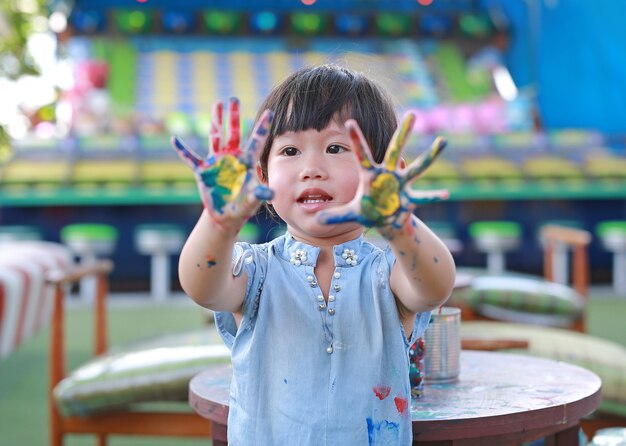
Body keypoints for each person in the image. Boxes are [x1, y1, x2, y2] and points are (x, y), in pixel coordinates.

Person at [172, 64, 456, 445]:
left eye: (336, 148)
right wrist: (218, 223)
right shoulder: (256, 271)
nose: (311, 169)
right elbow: (201, 285)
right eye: (290, 150)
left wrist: (399, 223)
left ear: (388, 171)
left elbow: (435, 287)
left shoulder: (388, 273)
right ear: (263, 175)